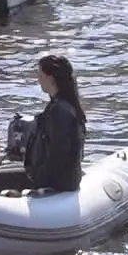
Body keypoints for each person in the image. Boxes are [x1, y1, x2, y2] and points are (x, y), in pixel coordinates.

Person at [20, 52, 87, 194]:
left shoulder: (60, 111)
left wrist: (42, 185)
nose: (38, 80)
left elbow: (58, 154)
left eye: (40, 76)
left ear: (50, 78)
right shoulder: (66, 105)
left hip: (57, 184)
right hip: (63, 180)